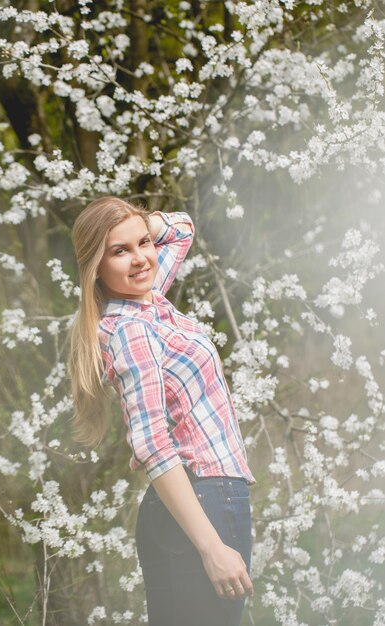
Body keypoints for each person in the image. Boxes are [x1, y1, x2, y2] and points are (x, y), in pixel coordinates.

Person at [69, 196, 257, 626]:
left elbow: (183, 228)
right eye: (119, 251)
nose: (139, 259)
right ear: (96, 266)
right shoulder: (133, 329)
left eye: (143, 244)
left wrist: (136, 225)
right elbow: (152, 444)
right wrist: (211, 548)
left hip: (190, 503)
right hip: (205, 500)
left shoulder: (148, 301)